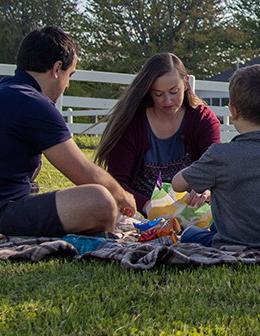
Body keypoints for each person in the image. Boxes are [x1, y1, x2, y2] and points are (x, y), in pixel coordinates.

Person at [0, 27, 135, 237]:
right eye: (69, 75)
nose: (66, 86)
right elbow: (85, 173)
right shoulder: (32, 104)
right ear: (57, 69)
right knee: (99, 200)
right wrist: (122, 195)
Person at [171, 64, 260, 248]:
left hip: (231, 241)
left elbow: (177, 184)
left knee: (190, 233)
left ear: (233, 111)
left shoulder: (218, 154)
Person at [94, 53, 220, 215]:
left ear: (186, 83)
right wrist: (148, 207)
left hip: (193, 213)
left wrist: (205, 190)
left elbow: (215, 170)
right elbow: (116, 182)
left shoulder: (203, 120)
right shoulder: (132, 123)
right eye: (158, 94)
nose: (167, 101)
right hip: (139, 213)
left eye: (174, 91)